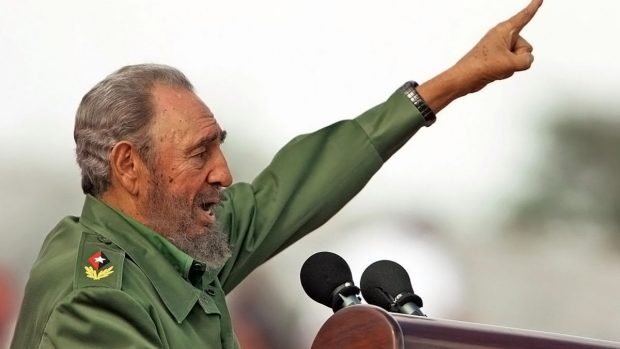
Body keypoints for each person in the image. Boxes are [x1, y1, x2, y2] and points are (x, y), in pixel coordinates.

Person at [11, 1, 543, 348]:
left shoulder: (173, 238)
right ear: (130, 166)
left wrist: (450, 84)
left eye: (220, 147)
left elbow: (295, 184)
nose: (223, 172)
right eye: (200, 153)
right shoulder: (97, 294)